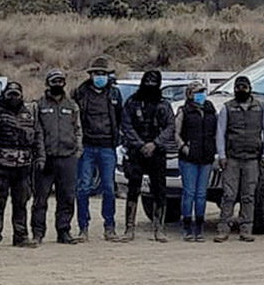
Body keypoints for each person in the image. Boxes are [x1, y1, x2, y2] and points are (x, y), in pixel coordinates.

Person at [0, 82, 43, 250]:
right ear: (4, 95)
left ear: (21, 96)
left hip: (23, 168)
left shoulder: (29, 116)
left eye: (17, 95)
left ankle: (21, 236)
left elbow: (38, 138)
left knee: (21, 203)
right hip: (0, 167)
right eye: (10, 95)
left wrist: (40, 157)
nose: (13, 98)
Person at [214, 75, 264, 243]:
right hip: (232, 158)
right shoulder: (227, 108)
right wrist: (222, 155)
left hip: (253, 159)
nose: (241, 90)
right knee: (229, 195)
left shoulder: (261, 107)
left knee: (249, 196)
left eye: (243, 87)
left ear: (250, 89)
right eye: (238, 88)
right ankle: (223, 229)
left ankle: (246, 230)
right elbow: (220, 133)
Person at [73, 55, 123, 242]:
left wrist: (118, 139)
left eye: (103, 74)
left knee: (109, 188)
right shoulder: (80, 93)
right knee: (83, 188)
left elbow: (120, 118)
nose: (100, 77)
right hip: (86, 147)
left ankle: (109, 227)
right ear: (91, 75)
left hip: (108, 147)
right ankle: (83, 228)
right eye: (96, 74)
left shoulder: (114, 94)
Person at [121, 70, 176, 243]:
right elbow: (126, 125)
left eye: (154, 82)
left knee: (160, 190)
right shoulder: (132, 102)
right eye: (148, 81)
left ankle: (159, 229)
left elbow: (170, 126)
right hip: (136, 151)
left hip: (157, 152)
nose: (150, 85)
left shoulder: (164, 104)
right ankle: (129, 228)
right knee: (133, 189)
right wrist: (140, 144)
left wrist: (155, 144)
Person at [33, 69, 82, 245]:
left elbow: (78, 129)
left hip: (68, 157)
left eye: (61, 81)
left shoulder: (72, 105)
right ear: (48, 83)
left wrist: (77, 151)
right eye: (54, 81)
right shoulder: (39, 105)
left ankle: (64, 231)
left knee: (67, 197)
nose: (58, 84)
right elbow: (36, 131)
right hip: (46, 158)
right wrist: (39, 155)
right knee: (40, 198)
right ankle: (38, 233)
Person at [175, 81, 217, 242]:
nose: (201, 95)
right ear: (190, 94)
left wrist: (214, 148)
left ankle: (199, 228)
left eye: (202, 92)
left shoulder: (210, 110)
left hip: (206, 157)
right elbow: (176, 133)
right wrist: (184, 148)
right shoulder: (183, 111)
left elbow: (216, 131)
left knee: (201, 194)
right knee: (189, 193)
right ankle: (187, 227)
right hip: (189, 158)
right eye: (197, 92)